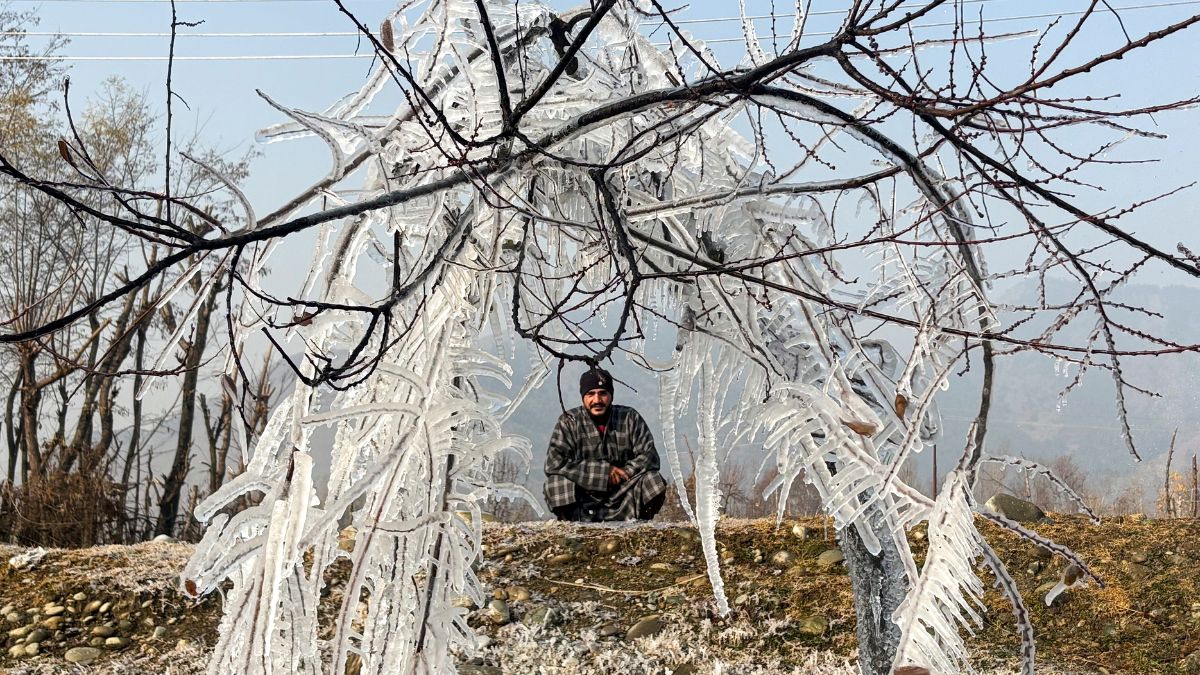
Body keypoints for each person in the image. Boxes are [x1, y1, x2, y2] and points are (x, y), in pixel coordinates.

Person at [543, 367, 668, 522]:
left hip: (624, 493)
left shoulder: (630, 418)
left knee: (653, 480)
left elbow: (650, 456)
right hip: (583, 497)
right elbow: (553, 464)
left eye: (602, 393)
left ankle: (640, 524)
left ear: (611, 395)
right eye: (591, 394)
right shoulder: (569, 422)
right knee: (555, 485)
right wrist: (603, 474)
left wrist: (623, 473)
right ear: (583, 397)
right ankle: (571, 526)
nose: (597, 400)